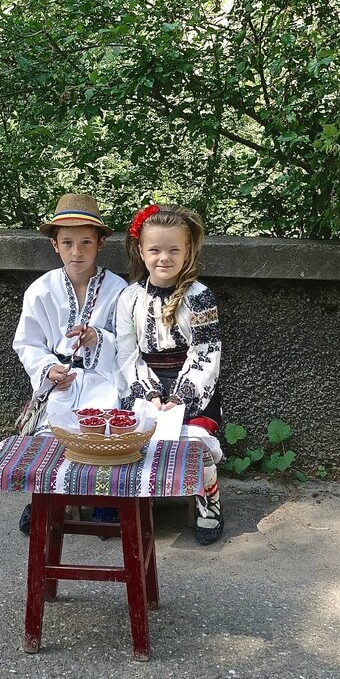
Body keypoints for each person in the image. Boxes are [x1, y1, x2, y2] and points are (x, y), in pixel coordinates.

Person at [13, 193, 128, 534]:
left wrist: (99, 339)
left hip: (103, 377)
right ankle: (44, 498)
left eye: (86, 243)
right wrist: (48, 369)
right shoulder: (40, 290)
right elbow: (27, 342)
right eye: (67, 243)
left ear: (101, 243)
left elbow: (127, 344)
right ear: (55, 246)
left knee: (107, 428)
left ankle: (106, 501)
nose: (77, 252)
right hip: (59, 382)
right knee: (51, 431)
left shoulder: (118, 289)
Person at [114, 203, 224, 545]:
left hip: (191, 388)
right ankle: (140, 502)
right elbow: (126, 351)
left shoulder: (200, 297)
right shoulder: (129, 298)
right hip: (145, 385)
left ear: (187, 250)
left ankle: (209, 500)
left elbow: (206, 352)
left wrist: (179, 396)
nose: (164, 257)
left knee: (197, 442)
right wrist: (148, 393)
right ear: (141, 251)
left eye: (174, 249)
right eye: (155, 250)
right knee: (130, 437)